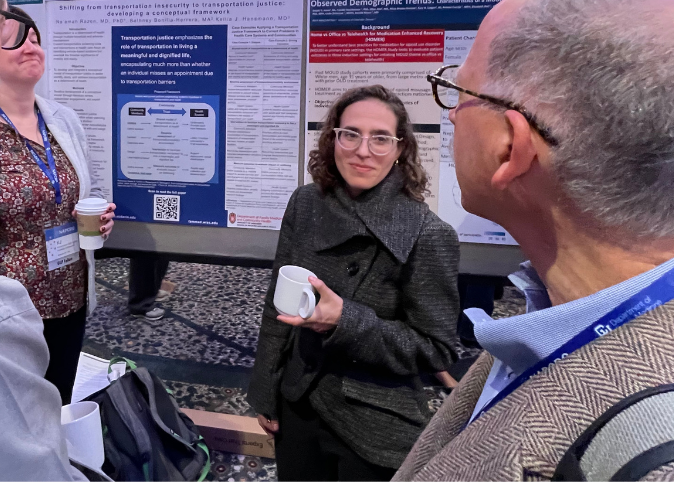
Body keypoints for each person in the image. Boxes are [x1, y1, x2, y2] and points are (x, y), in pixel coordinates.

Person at [395, 0, 674, 480]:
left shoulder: (650, 458)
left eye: (458, 91)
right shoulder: (551, 317)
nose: (452, 117)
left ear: (510, 147)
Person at [248, 85, 466, 480]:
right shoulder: (306, 203)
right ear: (334, 139)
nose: (363, 150)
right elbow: (275, 304)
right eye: (351, 134)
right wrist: (265, 390)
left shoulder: (427, 233)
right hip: (299, 399)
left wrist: (345, 321)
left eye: (380, 138)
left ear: (400, 149)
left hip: (373, 420)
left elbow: (436, 349)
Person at [0, 5, 115, 404]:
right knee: (17, 418)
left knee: (60, 403)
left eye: (35, 38)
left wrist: (99, 220)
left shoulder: (62, 120)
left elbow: (88, 188)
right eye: (15, 38)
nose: (31, 45)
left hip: (69, 293)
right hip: (10, 313)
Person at [0, 276, 84, 480]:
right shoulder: (7, 310)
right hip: (27, 290)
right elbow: (34, 468)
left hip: (68, 288)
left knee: (61, 392)